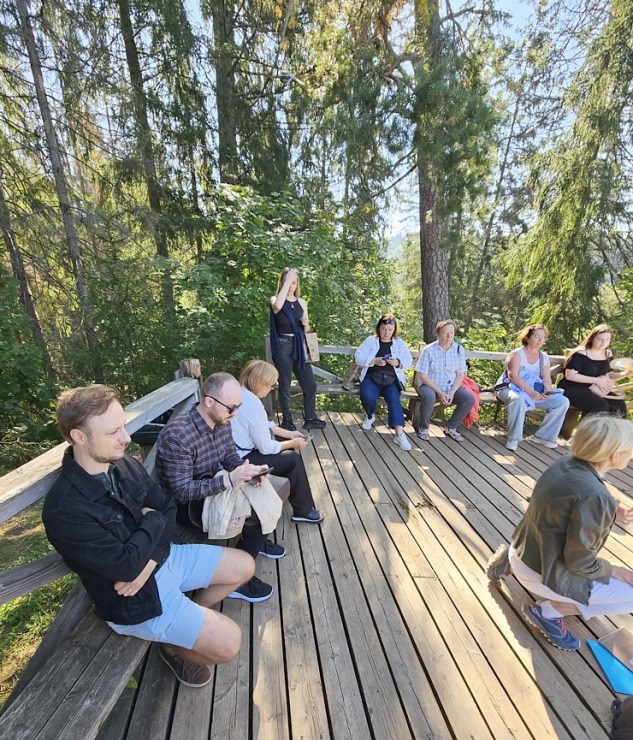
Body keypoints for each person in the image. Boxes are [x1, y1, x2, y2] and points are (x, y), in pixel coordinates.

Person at [42, 385, 253, 689]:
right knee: (230, 643)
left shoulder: (123, 464)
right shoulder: (65, 509)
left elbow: (165, 506)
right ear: (79, 437)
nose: (126, 438)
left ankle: (189, 620)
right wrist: (152, 521)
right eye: (114, 431)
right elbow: (125, 568)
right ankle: (173, 647)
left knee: (244, 565)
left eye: (124, 427)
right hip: (133, 597)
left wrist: (151, 554)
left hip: (158, 560)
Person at [486, 414, 633, 651]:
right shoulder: (596, 497)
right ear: (614, 456)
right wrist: (615, 571)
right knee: (630, 596)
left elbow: (571, 500)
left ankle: (508, 564)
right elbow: (580, 564)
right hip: (540, 572)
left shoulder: (566, 462)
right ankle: (548, 613)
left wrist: (611, 509)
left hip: (522, 550)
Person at [156, 372, 284, 604]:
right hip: (187, 508)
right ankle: (238, 581)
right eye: (231, 408)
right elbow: (180, 492)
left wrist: (248, 472)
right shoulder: (179, 435)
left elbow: (229, 457)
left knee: (271, 491)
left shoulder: (221, 420)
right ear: (209, 401)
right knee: (257, 515)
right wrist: (229, 481)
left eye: (238, 407)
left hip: (214, 485)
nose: (235, 414)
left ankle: (246, 557)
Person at [231, 359, 324, 523]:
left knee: (283, 442)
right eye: (270, 384)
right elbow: (266, 448)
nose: (272, 388)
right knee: (293, 459)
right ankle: (304, 511)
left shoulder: (241, 393)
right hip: (242, 460)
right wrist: (293, 444)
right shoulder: (252, 405)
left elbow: (266, 425)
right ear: (260, 383)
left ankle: (292, 492)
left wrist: (290, 434)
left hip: (238, 450)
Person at [495, 324, 570, 451]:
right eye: (536, 336)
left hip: (534, 391)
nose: (540, 340)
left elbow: (546, 378)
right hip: (509, 388)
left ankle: (544, 437)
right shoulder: (517, 354)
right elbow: (513, 376)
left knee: (562, 402)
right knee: (517, 400)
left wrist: (547, 389)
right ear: (528, 337)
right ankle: (514, 438)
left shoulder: (544, 356)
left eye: (543, 337)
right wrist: (530, 392)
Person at [269, 267, 326, 432]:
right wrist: (286, 282)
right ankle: (287, 420)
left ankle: (309, 418)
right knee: (285, 386)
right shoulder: (275, 299)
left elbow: (306, 330)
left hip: (300, 347)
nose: (291, 285)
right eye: (288, 282)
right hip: (283, 346)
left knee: (310, 385)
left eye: (294, 282)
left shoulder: (302, 302)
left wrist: (306, 325)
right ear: (282, 282)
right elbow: (278, 306)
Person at [354, 313, 413, 451]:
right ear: (379, 328)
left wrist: (398, 363)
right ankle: (370, 416)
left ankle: (399, 434)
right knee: (367, 395)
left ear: (394, 330)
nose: (386, 333)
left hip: (392, 379)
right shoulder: (371, 340)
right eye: (383, 329)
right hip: (372, 377)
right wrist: (374, 361)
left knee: (394, 399)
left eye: (389, 330)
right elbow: (358, 357)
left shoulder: (399, 343)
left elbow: (408, 361)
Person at [414, 320, 475, 442]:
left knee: (469, 398)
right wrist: (439, 392)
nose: (448, 336)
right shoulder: (429, 350)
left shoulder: (459, 350)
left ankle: (451, 427)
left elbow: (460, 374)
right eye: (445, 333)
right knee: (430, 396)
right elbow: (423, 376)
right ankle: (424, 427)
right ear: (437, 334)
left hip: (450, 386)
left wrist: (453, 391)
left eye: (451, 333)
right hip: (429, 385)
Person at [558, 324, 629, 418]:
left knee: (619, 405)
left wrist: (626, 374)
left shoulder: (608, 354)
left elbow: (609, 374)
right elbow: (570, 375)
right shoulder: (580, 354)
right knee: (599, 405)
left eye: (607, 339)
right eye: (600, 339)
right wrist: (597, 380)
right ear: (592, 338)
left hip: (595, 389)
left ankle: (612, 431)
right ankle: (586, 431)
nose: (604, 342)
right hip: (573, 388)